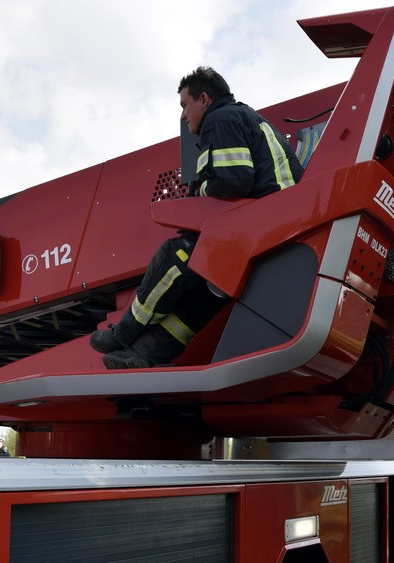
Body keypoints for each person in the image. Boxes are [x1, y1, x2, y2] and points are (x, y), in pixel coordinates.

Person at [90, 66, 305, 370]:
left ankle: (124, 335)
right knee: (207, 292)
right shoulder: (241, 118)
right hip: (278, 229)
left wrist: (199, 190)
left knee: (176, 254)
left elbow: (234, 181)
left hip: (265, 225)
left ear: (204, 99)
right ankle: (145, 354)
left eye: (184, 105)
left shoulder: (221, 118)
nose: (182, 115)